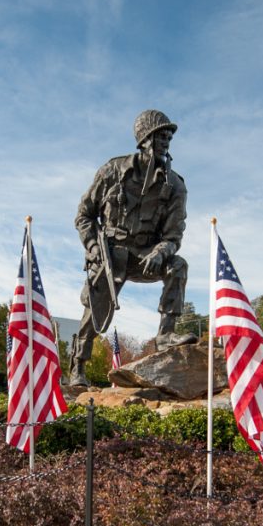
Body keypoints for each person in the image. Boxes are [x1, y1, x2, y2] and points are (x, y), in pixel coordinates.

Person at [68, 109, 197, 386]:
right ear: (144, 141)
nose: (166, 143)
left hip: (145, 256)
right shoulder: (112, 171)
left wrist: (160, 252)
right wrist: (93, 247)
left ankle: (165, 335)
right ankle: (77, 367)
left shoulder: (174, 186)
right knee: (96, 307)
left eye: (168, 138)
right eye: (160, 137)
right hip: (111, 252)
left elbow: (174, 235)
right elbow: (84, 215)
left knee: (178, 265)